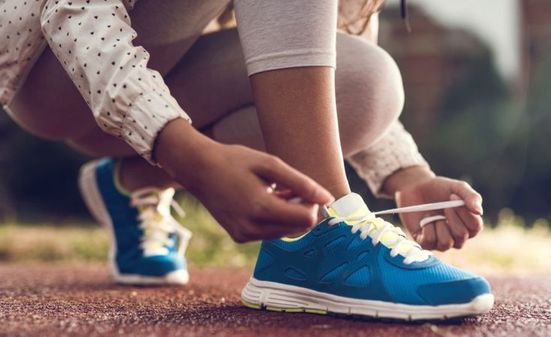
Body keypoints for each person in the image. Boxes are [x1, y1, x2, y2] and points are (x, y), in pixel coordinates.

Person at [0, 0, 493, 320]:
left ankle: (132, 178)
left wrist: (410, 175)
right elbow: (73, 15)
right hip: (56, 73)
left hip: (169, 78)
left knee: (366, 85)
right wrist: (187, 155)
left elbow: (316, 72)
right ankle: (320, 234)